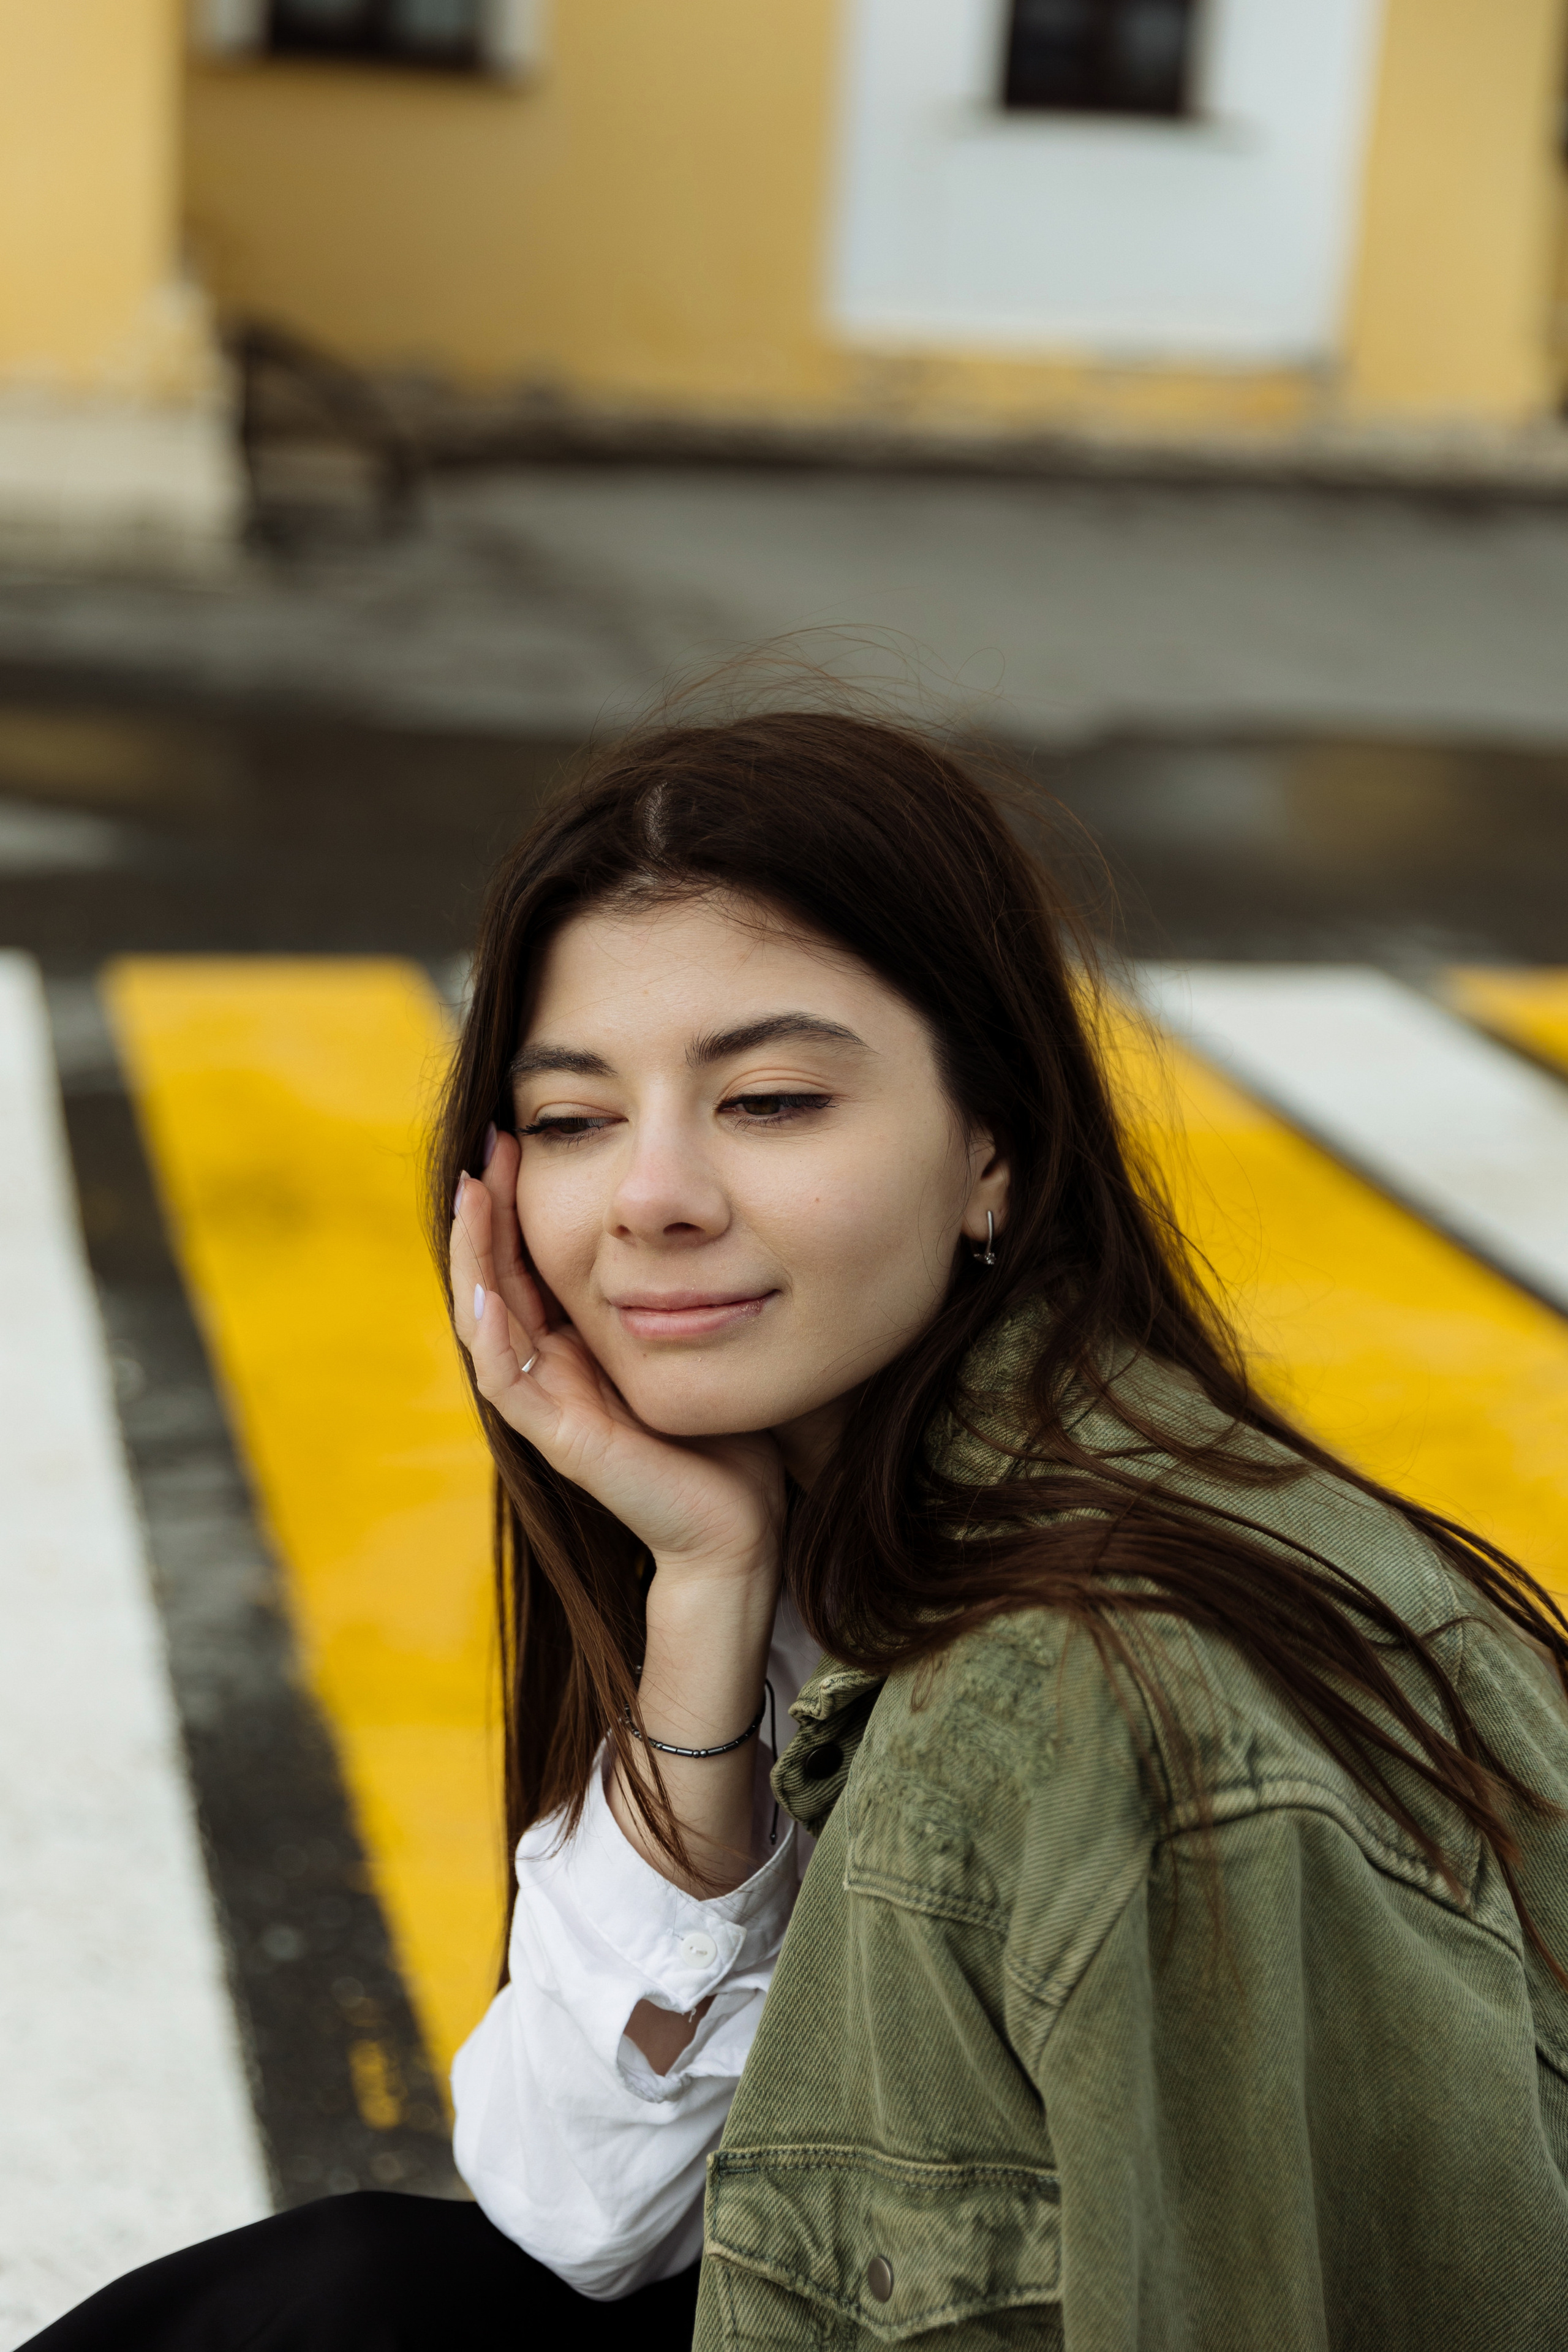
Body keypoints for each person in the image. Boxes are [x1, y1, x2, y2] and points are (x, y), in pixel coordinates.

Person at [30, 709, 1568, 2351]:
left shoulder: (1108, 1717)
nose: (652, 1195)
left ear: (998, 1148)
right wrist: (702, 1592)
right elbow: (573, 2210)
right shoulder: (827, 1526)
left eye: (767, 1102)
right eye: (569, 1119)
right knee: (340, 2305)